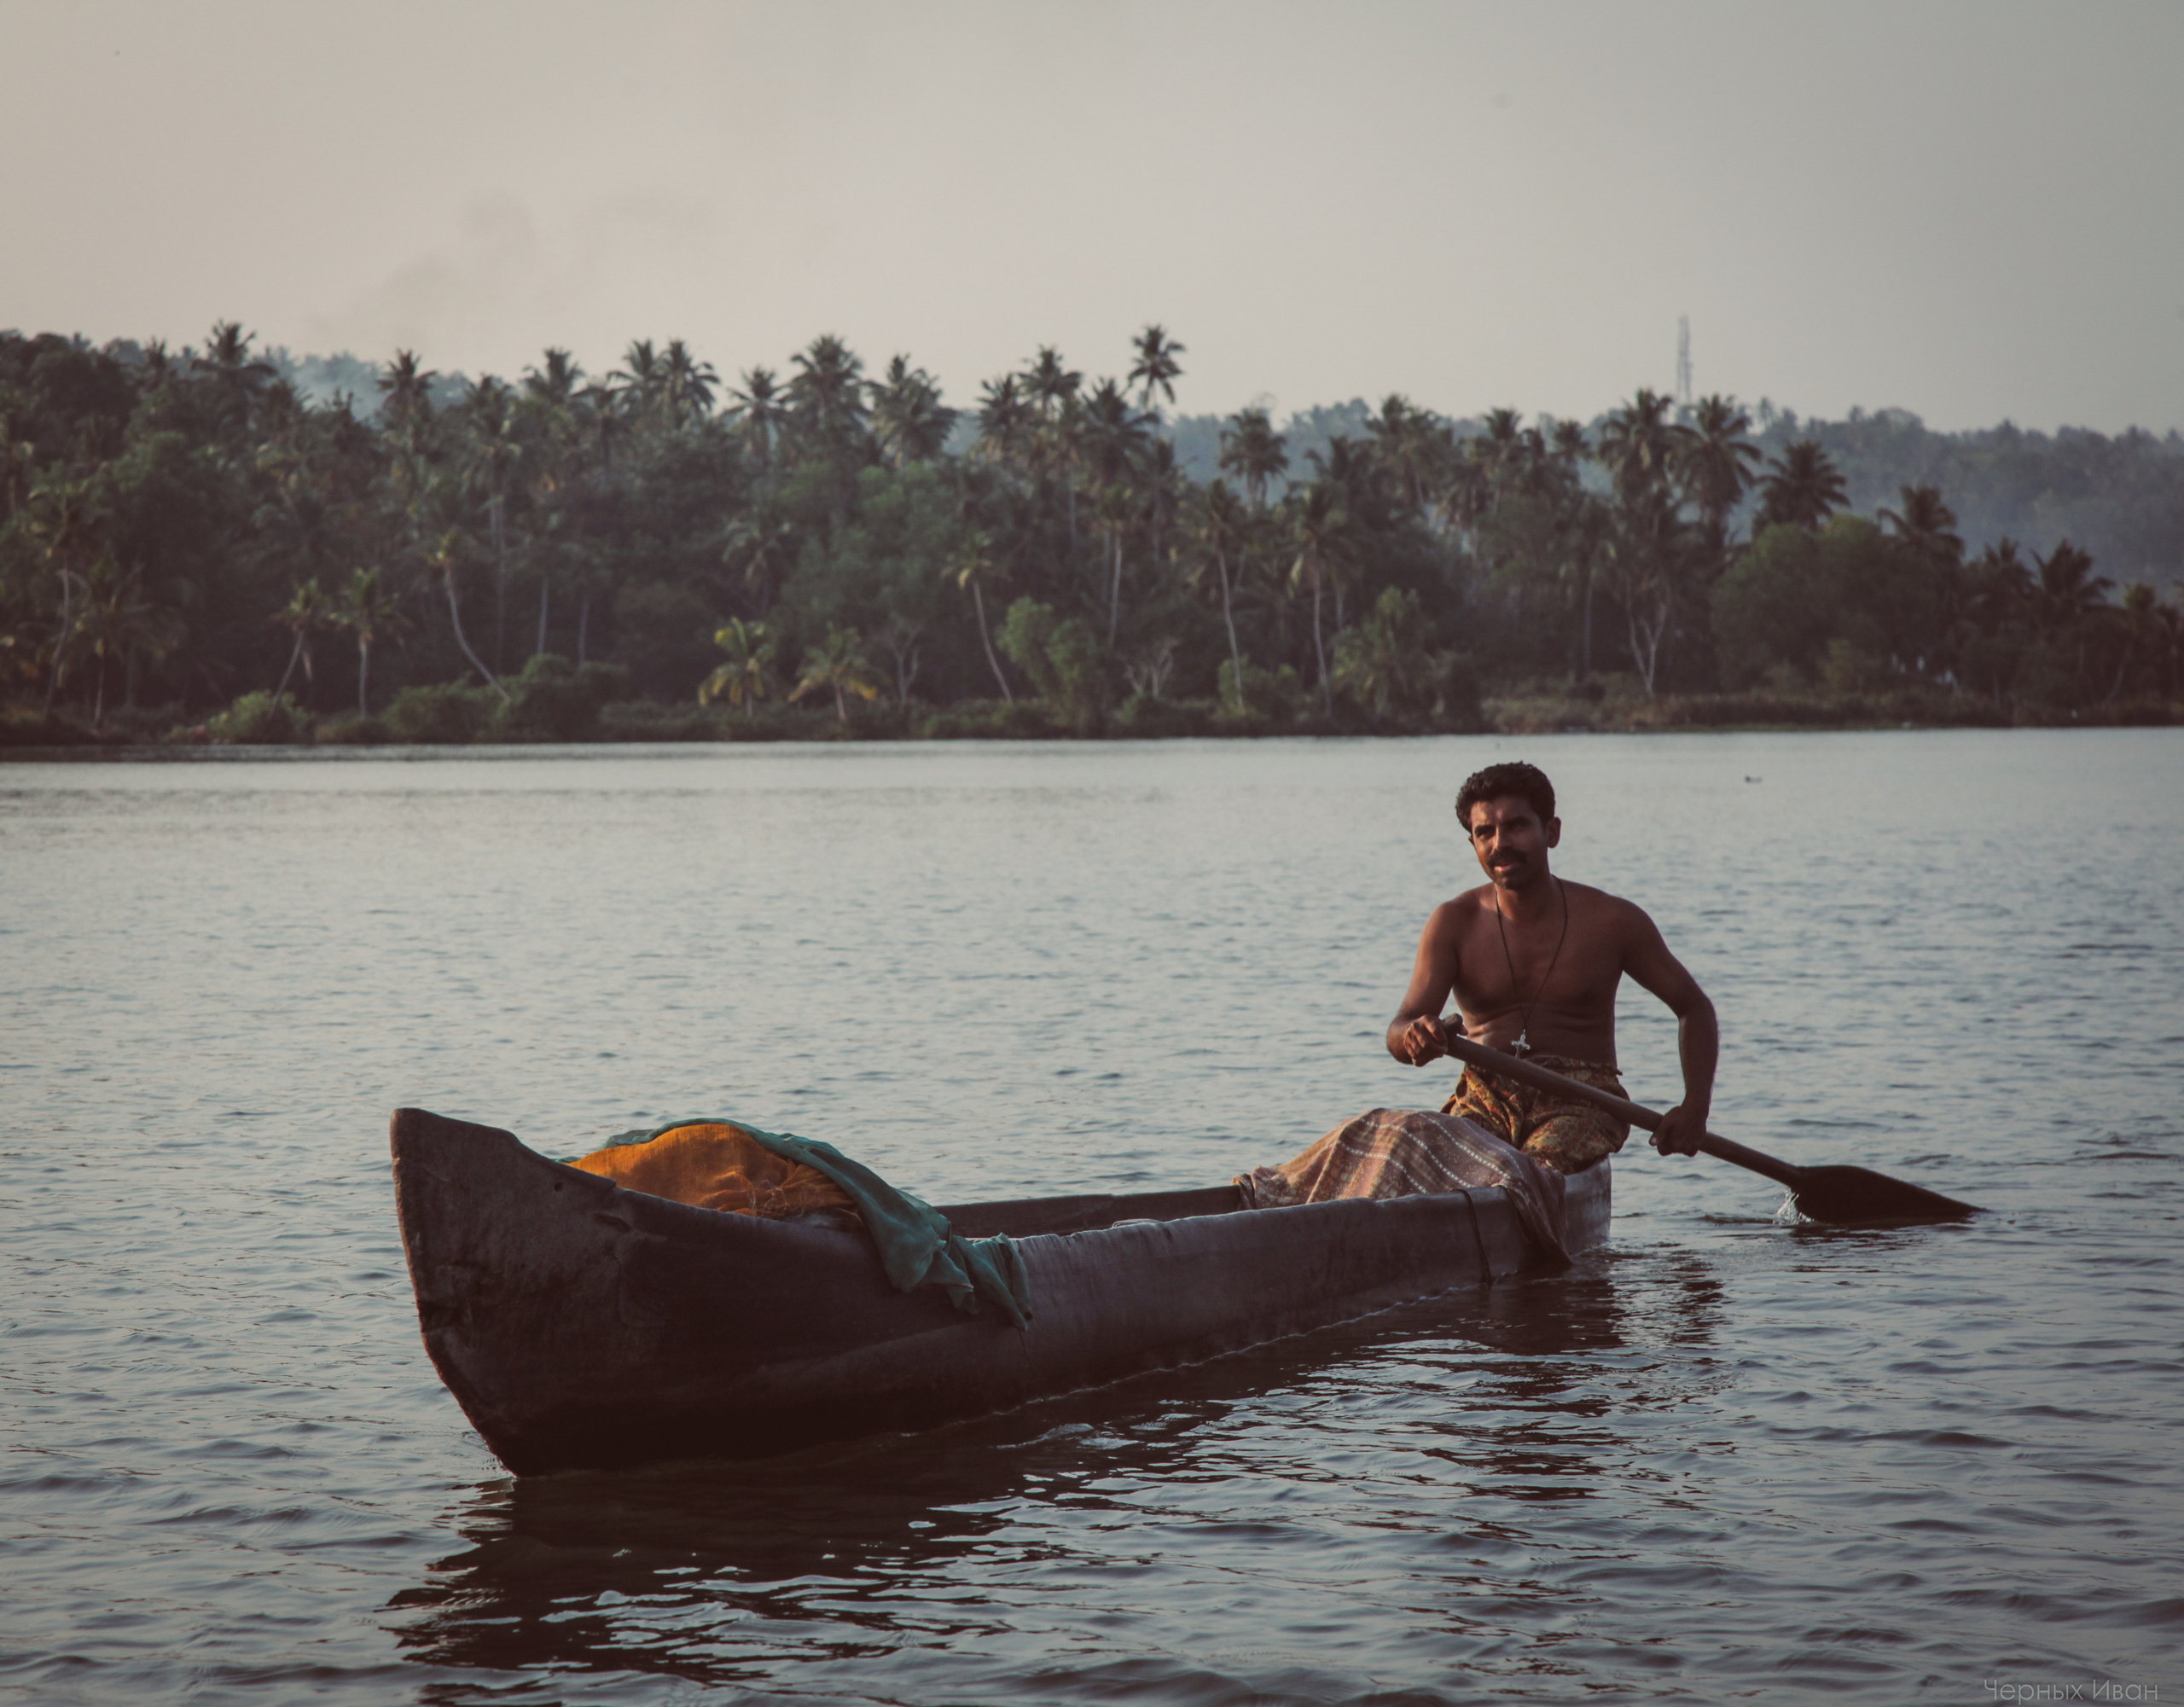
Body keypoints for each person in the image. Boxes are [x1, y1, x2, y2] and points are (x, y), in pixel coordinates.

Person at [1385, 761, 1716, 1173]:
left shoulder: (1612, 921)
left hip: (1584, 1101)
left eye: (1516, 826)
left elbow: (1693, 1008)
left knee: (1530, 1171)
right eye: (1484, 833)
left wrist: (1695, 1108)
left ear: (1552, 832)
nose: (1499, 844)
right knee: (1418, 1157)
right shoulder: (1452, 923)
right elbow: (1400, 1028)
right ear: (1472, 842)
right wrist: (1414, 1036)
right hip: (1486, 1098)